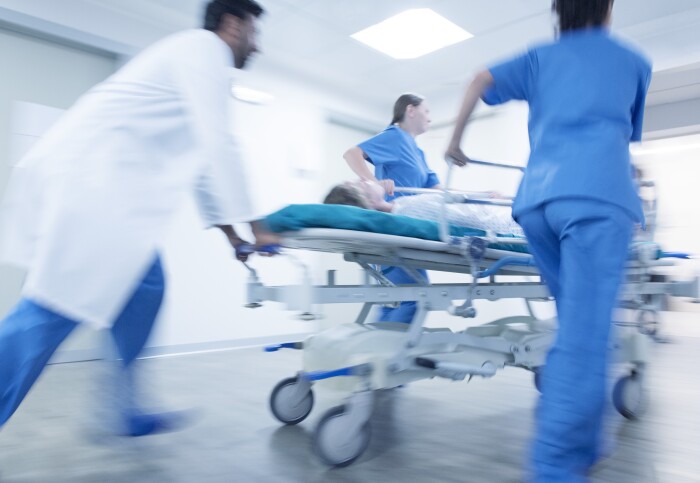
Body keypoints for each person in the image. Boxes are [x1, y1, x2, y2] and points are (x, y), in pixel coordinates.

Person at [0, 0, 277, 437]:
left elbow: (203, 160)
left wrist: (232, 234)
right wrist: (259, 227)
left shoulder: (194, 62)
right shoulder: (205, 50)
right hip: (92, 190)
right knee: (50, 313)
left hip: (105, 197)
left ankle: (125, 407)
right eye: (254, 32)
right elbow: (220, 141)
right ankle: (122, 408)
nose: (258, 46)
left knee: (146, 286)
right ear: (231, 24)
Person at [445, 0, 651, 481]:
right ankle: (555, 466)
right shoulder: (635, 61)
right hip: (596, 200)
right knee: (585, 338)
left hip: (537, 203)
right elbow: (620, 138)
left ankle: (586, 439)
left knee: (579, 329)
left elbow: (479, 78)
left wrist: (455, 141)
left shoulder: (541, 57)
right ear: (608, 6)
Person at [343, 94, 443, 323]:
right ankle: (389, 355)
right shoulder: (395, 136)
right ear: (411, 110)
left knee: (398, 297)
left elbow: (440, 192)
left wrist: (480, 196)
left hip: (410, 232)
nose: (430, 117)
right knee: (414, 296)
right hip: (394, 230)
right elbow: (352, 154)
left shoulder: (418, 153)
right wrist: (374, 183)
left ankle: (381, 353)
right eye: (426, 111)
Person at [324, 180, 524, 236]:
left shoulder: (402, 206)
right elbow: (475, 220)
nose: (364, 180)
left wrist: (480, 196)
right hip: (512, 226)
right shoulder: (411, 212)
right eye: (359, 185)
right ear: (368, 202)